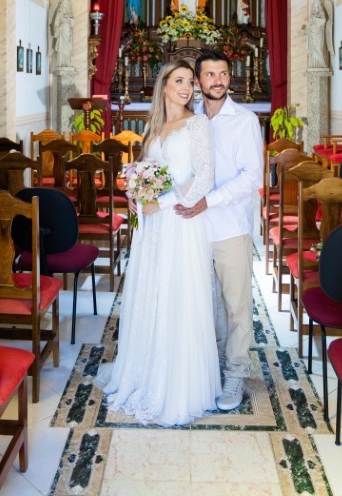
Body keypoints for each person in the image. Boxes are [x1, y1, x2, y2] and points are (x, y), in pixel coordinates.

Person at [97, 60, 221, 426]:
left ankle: (177, 384)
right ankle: (144, 370)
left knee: (177, 293)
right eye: (178, 80)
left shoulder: (198, 124)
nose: (186, 87)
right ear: (163, 85)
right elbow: (143, 175)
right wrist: (135, 201)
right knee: (150, 291)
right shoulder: (154, 127)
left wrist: (162, 204)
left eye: (190, 82)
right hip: (150, 228)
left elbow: (204, 178)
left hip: (180, 222)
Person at [176, 50, 263, 411]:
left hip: (230, 227)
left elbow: (252, 176)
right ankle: (210, 368)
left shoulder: (244, 121)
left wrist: (209, 201)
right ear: (198, 81)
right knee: (204, 304)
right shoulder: (187, 119)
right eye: (210, 75)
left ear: (230, 77)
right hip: (193, 229)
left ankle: (236, 374)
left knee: (236, 305)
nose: (217, 81)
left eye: (223, 73)